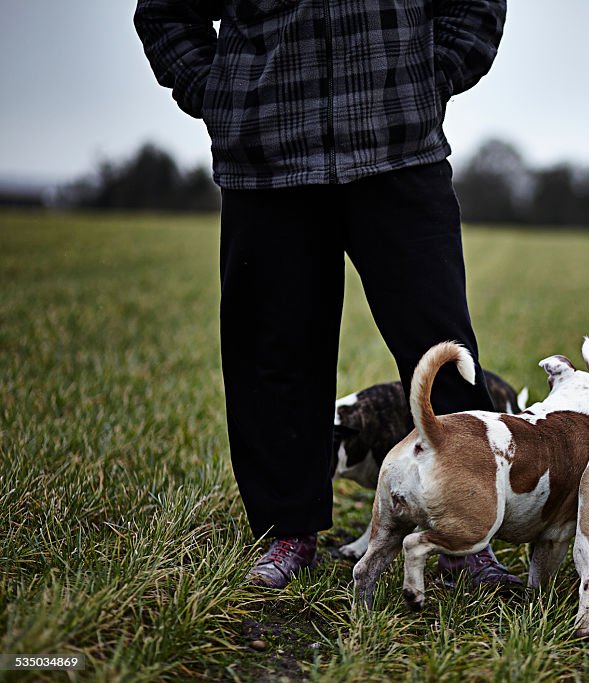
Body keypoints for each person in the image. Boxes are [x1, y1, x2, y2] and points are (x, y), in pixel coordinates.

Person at [134, 0, 518, 589]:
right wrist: (222, 97)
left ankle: (463, 538)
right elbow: (165, 10)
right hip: (266, 162)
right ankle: (286, 528)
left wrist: (426, 76)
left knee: (439, 345)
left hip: (398, 149)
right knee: (272, 355)